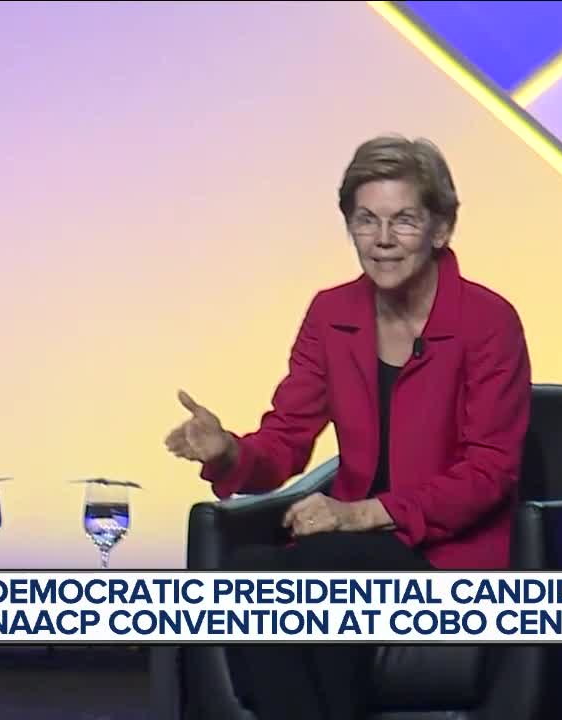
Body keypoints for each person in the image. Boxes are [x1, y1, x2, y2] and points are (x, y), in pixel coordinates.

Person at [165, 135, 532, 719]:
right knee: (245, 577)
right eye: (366, 220)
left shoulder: (488, 322)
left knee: (313, 578)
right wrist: (230, 451)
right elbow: (286, 438)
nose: (383, 241)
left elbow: (489, 474)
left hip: (446, 555)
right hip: (350, 545)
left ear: (440, 229)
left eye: (403, 221)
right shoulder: (331, 314)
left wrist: (357, 514)